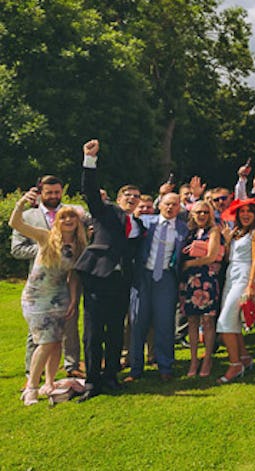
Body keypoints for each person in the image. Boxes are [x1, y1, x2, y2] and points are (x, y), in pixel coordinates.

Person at [74, 139, 145, 402]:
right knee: (93, 333)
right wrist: (89, 160)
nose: (132, 199)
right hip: (96, 277)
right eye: (128, 196)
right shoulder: (105, 212)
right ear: (118, 198)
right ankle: (92, 381)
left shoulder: (139, 225)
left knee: (116, 330)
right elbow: (90, 191)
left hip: (122, 282)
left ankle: (111, 375)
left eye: (136, 197)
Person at [10, 190, 86, 405]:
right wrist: (21, 204)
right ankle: (32, 388)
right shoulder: (45, 237)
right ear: (58, 221)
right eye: (63, 216)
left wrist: (72, 300)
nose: (68, 220)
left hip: (60, 297)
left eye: (72, 216)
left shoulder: (80, 246)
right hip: (36, 298)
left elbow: (73, 277)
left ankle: (49, 383)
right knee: (44, 342)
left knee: (56, 343)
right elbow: (16, 224)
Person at [126, 193, 190, 382]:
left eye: (175, 205)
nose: (170, 208)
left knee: (165, 323)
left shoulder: (183, 229)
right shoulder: (146, 222)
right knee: (138, 322)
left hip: (166, 278)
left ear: (179, 208)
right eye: (167, 204)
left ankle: (165, 366)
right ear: (159, 205)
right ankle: (135, 369)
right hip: (142, 276)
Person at [216, 200, 255, 384]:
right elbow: (229, 256)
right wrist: (228, 240)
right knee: (232, 321)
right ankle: (244, 357)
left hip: (244, 277)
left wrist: (250, 285)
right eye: (242, 211)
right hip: (231, 274)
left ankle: (235, 364)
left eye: (249, 211)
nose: (245, 215)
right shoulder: (236, 232)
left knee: (225, 322)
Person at [178, 200, 222, 378]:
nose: (202, 215)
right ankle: (194, 359)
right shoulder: (188, 232)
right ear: (192, 214)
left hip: (206, 280)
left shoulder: (214, 231)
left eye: (205, 212)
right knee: (192, 321)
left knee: (207, 321)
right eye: (198, 212)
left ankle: (207, 359)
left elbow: (212, 256)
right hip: (188, 281)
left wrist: (190, 263)